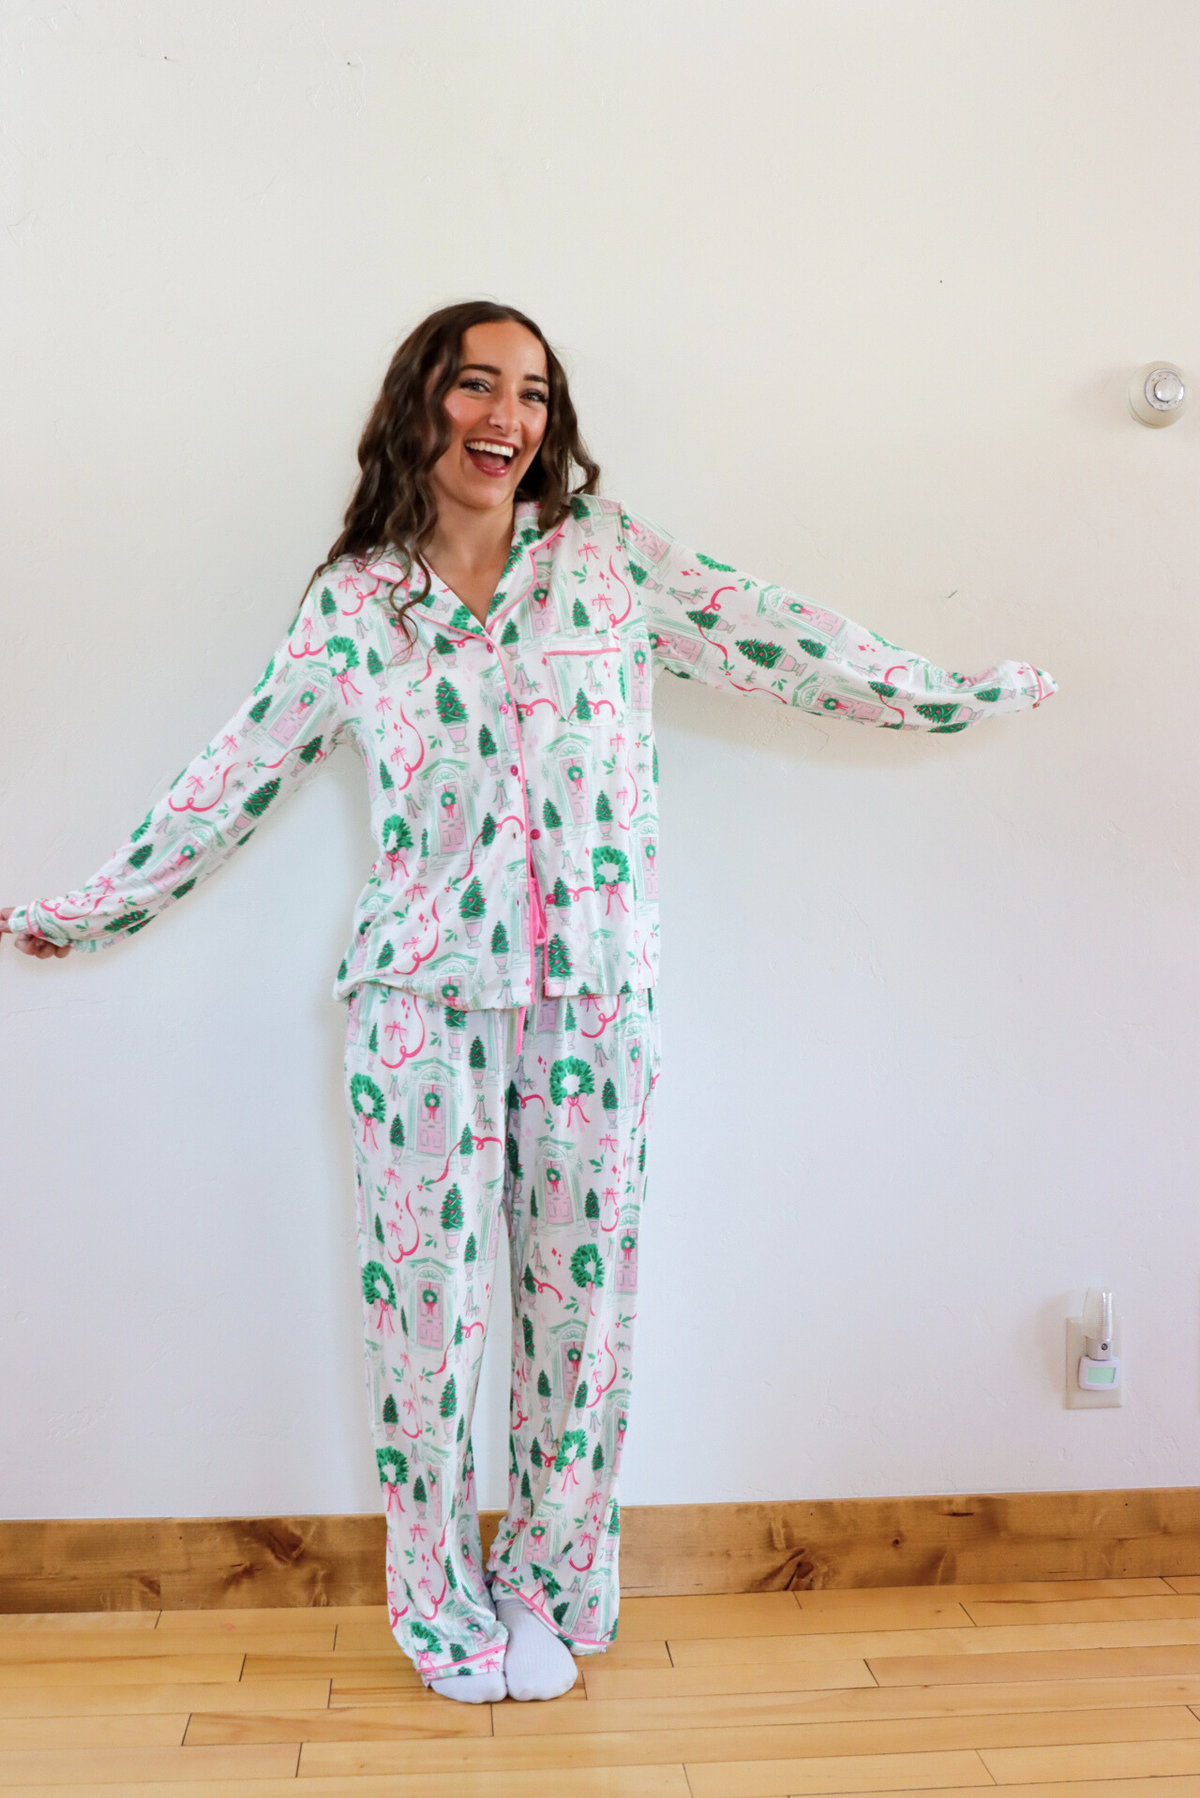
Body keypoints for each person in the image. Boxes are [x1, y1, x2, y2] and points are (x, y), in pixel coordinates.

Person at [2, 299, 1057, 1703]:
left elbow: (781, 637)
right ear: (420, 404)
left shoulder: (609, 566)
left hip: (594, 1010)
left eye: (536, 396)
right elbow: (232, 773)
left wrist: (948, 692)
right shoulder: (358, 603)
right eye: (477, 386)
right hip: (420, 1004)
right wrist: (87, 910)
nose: (509, 417)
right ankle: (441, 1610)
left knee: (581, 1323)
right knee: (425, 1327)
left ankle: (550, 1586)